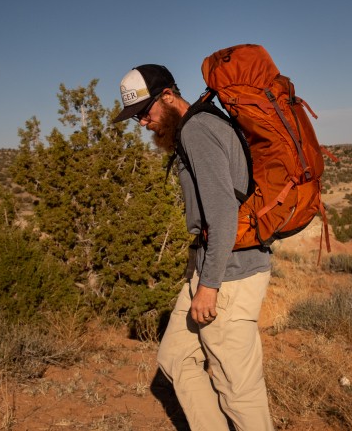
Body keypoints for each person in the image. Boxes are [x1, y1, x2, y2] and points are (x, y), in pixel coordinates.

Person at [112, 64, 275, 431]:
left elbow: (223, 215)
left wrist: (209, 285)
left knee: (236, 387)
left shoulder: (199, 130)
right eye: (136, 116)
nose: (141, 123)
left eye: (144, 112)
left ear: (167, 96)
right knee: (174, 358)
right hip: (209, 265)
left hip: (230, 273)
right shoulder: (194, 128)